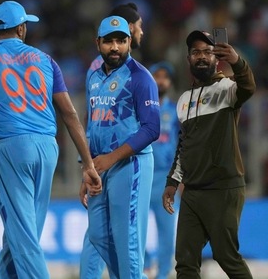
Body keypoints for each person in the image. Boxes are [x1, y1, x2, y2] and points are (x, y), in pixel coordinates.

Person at [0, 0, 102, 279]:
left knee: (24, 239)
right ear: (21, 28)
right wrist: (88, 164)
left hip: (12, 149)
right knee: (22, 236)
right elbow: (70, 114)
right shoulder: (45, 59)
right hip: (48, 147)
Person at [162, 30, 256, 279]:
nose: (201, 56)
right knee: (185, 262)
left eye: (207, 51)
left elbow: (248, 87)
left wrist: (237, 61)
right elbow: (184, 145)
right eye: (195, 52)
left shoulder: (228, 89)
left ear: (217, 58)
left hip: (224, 189)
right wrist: (173, 181)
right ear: (188, 59)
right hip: (193, 191)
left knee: (227, 257)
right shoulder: (183, 100)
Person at [84, 15, 160, 278]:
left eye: (120, 41)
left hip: (131, 164)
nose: (115, 47)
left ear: (129, 42)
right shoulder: (93, 78)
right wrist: (89, 167)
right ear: (98, 43)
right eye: (109, 41)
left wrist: (111, 158)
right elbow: (92, 126)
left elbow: (152, 129)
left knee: (127, 240)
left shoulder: (141, 78)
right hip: (101, 167)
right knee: (98, 234)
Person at [144, 61, 181, 279]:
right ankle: (145, 265)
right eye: (157, 76)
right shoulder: (140, 107)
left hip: (166, 178)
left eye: (165, 77)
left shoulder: (175, 111)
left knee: (167, 232)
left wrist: (180, 178)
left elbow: (182, 144)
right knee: (134, 227)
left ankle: (164, 273)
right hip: (142, 175)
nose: (161, 80)